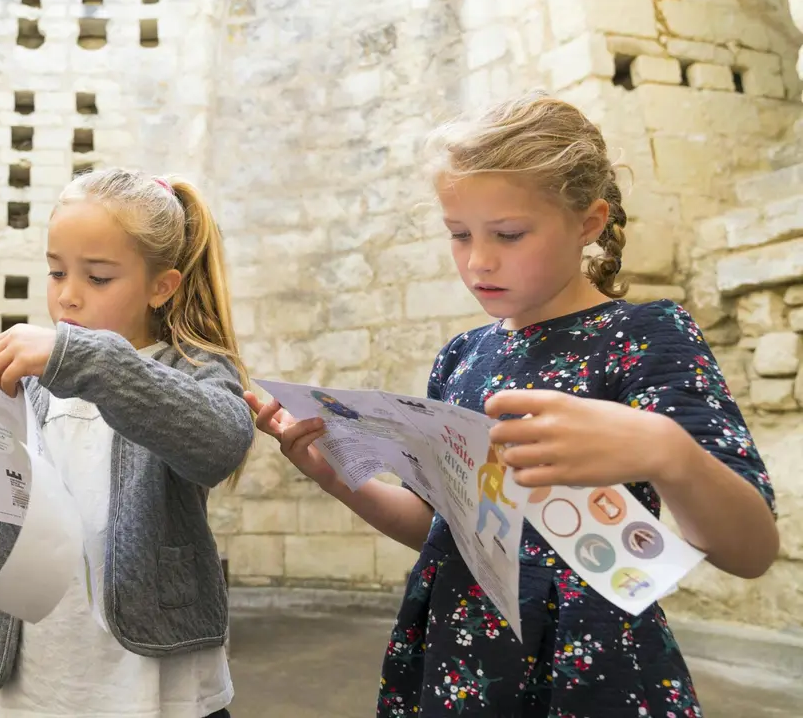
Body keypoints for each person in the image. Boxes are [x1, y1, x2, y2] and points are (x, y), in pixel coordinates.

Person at [245, 92, 778, 717]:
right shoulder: (461, 356)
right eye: (458, 235)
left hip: (590, 670)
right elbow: (443, 532)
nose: (478, 261)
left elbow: (750, 551)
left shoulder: (644, 336)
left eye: (509, 234)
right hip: (461, 662)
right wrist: (337, 477)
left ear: (588, 223)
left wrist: (669, 454)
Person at [0, 168, 253, 718]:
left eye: (98, 278)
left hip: (157, 681)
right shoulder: (28, 386)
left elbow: (219, 444)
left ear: (161, 286)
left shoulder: (189, 370)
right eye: (56, 272)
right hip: (41, 684)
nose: (67, 297)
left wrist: (78, 357)